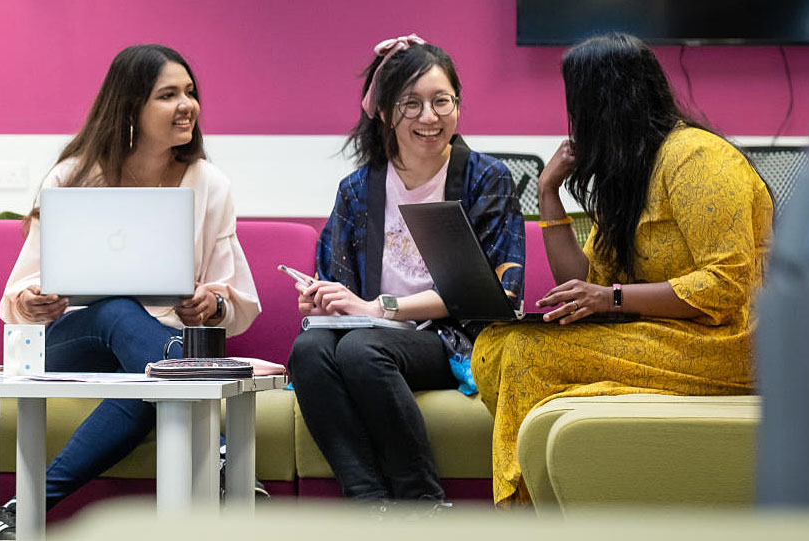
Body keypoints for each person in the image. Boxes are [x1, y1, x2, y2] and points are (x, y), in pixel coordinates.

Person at [470, 33, 773, 506]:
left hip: (729, 341)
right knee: (496, 342)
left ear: (608, 104)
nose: (575, 121)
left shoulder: (700, 159)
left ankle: (526, 510)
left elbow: (726, 283)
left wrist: (612, 299)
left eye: (580, 106)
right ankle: (551, 496)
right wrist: (549, 193)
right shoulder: (632, 171)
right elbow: (587, 279)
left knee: (530, 355)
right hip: (665, 331)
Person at [0, 44, 260, 537]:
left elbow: (235, 302)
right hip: (76, 340)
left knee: (150, 389)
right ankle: (220, 451)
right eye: (168, 95)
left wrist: (211, 303)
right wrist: (35, 299)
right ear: (131, 108)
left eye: (190, 92)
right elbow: (18, 293)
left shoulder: (211, 184)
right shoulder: (73, 178)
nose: (187, 105)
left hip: (156, 358)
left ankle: (15, 515)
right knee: (119, 310)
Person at [283, 35, 525, 507]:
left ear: (458, 105)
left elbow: (501, 293)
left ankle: (422, 503)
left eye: (441, 101)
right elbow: (337, 280)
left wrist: (381, 308)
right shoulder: (358, 189)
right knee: (309, 348)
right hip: (370, 332)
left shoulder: (486, 178)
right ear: (386, 112)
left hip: (450, 336)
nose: (429, 117)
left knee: (361, 350)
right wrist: (322, 298)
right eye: (410, 105)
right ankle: (369, 502)